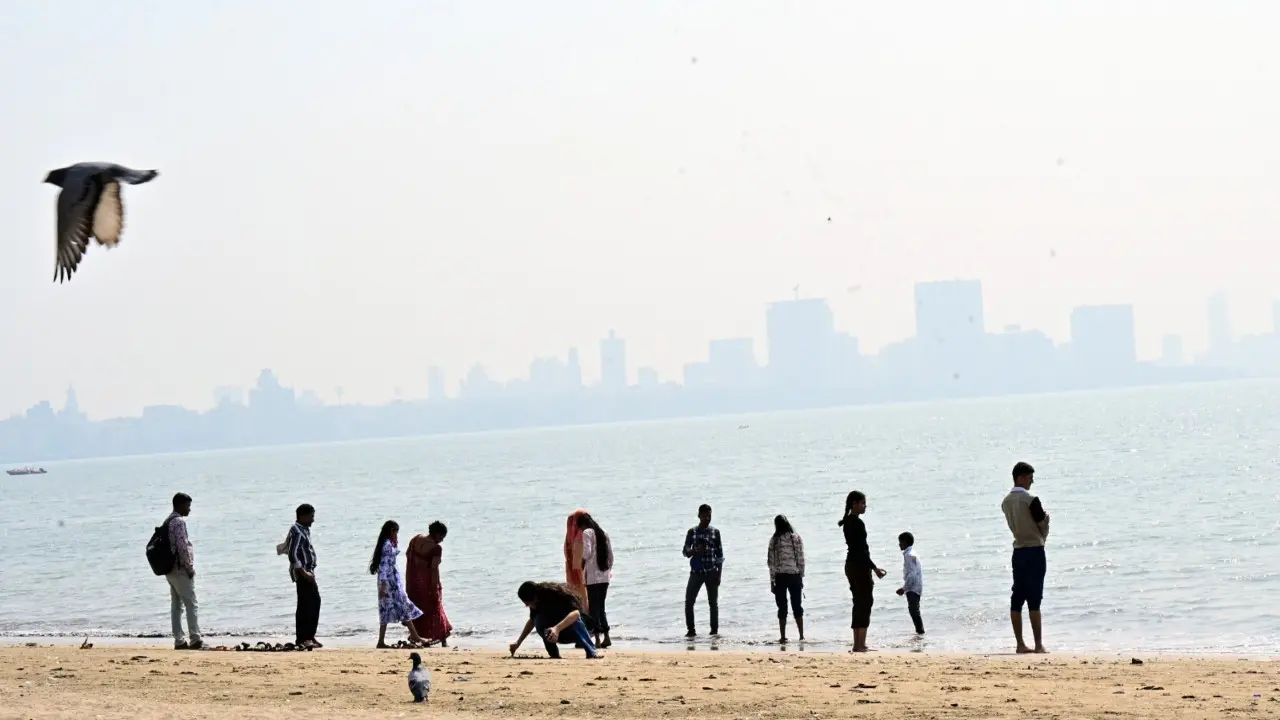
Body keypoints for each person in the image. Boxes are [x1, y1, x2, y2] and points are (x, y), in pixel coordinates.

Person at [1002, 461, 1050, 654]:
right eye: (1030, 478)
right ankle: (1038, 644)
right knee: (1035, 598)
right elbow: (1041, 527)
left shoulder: (1005, 502)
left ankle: (1020, 643)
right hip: (1034, 550)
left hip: (1018, 550)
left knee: (1017, 597)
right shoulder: (1031, 499)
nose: (1032, 481)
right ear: (1020, 478)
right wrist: (1047, 523)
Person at [839, 491, 887, 652]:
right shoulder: (857, 523)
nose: (865, 506)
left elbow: (858, 549)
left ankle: (858, 644)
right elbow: (862, 550)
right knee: (865, 602)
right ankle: (860, 644)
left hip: (851, 565)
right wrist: (874, 568)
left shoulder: (847, 522)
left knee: (858, 602)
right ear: (854, 503)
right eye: (862, 503)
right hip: (859, 565)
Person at [369, 520, 427, 648]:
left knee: (395, 607)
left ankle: (383, 641)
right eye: (396, 531)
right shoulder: (387, 545)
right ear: (391, 531)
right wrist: (384, 585)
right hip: (389, 583)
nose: (397, 534)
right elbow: (384, 566)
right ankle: (415, 637)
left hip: (391, 581)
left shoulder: (387, 543)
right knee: (400, 606)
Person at [508, 581, 599, 659]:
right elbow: (532, 621)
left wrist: (557, 629)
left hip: (584, 629)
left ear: (534, 597)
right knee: (539, 620)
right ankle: (554, 654)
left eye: (527, 603)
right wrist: (518, 642)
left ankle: (592, 652)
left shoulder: (556, 595)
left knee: (576, 619)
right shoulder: (537, 604)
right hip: (559, 634)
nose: (527, 606)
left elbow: (576, 614)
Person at [162, 493, 201, 650]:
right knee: (191, 603)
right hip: (180, 569)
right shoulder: (178, 522)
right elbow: (182, 547)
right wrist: (189, 568)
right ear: (179, 505)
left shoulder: (168, 521)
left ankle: (179, 640)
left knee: (176, 606)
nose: (189, 509)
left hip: (170, 570)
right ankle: (195, 638)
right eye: (187, 505)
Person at [406, 521, 453, 647]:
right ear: (437, 534)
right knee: (435, 609)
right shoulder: (436, 548)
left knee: (419, 611)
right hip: (426, 583)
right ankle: (442, 639)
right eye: (441, 537)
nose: (441, 541)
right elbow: (433, 569)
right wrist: (435, 587)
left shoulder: (415, 539)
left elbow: (408, 556)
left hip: (413, 582)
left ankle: (416, 636)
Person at [682, 503, 724, 638]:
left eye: (709, 516)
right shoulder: (692, 532)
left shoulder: (715, 532)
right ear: (699, 516)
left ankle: (714, 631)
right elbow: (685, 551)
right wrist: (695, 550)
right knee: (689, 601)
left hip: (712, 571)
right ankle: (691, 630)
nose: (707, 518)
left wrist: (719, 574)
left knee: (713, 603)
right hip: (696, 572)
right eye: (704, 516)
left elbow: (720, 555)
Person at [284, 503, 321, 649]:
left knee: (314, 603)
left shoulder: (304, 530)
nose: (313, 520)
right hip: (303, 574)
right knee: (305, 605)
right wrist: (303, 573)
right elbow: (293, 554)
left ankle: (310, 636)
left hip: (309, 572)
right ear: (303, 516)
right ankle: (302, 638)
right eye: (311, 517)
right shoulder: (297, 531)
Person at [578, 512, 614, 648]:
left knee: (594, 609)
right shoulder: (603, 532)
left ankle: (597, 639)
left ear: (581, 525)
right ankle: (607, 637)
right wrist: (607, 570)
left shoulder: (587, 532)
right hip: (604, 576)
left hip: (592, 577)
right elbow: (611, 556)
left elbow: (586, 553)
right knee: (601, 607)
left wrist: (581, 562)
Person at [767, 514, 805, 643]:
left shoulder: (774, 540)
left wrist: (772, 581)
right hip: (794, 575)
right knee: (797, 606)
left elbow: (771, 563)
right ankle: (801, 635)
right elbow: (801, 559)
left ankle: (783, 636)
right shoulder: (796, 538)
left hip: (780, 577)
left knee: (782, 607)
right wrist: (801, 576)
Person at [895, 531, 925, 635]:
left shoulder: (909, 555)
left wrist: (904, 588)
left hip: (913, 587)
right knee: (914, 610)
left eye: (900, 542)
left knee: (914, 611)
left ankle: (920, 632)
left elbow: (912, 574)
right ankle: (920, 634)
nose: (899, 544)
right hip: (916, 586)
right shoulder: (912, 553)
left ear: (905, 542)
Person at [564, 510, 591, 614]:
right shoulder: (580, 535)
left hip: (571, 570)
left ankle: (582, 616)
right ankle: (588, 617)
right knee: (585, 596)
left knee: (576, 596)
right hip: (580, 570)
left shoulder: (568, 538)